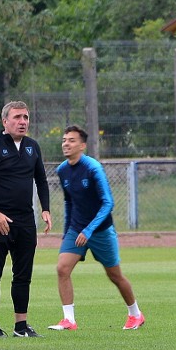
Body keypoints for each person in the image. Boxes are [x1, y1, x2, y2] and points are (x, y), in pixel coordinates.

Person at [48, 125, 144, 332]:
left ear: (82, 145)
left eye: (72, 140)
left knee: (115, 276)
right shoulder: (62, 169)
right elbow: (69, 203)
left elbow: (108, 203)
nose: (66, 143)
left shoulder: (93, 168)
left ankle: (135, 314)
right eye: (64, 139)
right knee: (62, 268)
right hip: (76, 229)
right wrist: (68, 232)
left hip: (100, 230)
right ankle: (69, 320)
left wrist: (89, 231)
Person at [0, 101, 52, 338]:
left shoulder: (32, 147)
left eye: (26, 117)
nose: (23, 122)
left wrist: (45, 209)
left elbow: (42, 180)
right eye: (17, 117)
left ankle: (21, 326)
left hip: (26, 222)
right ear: (4, 121)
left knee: (23, 275)